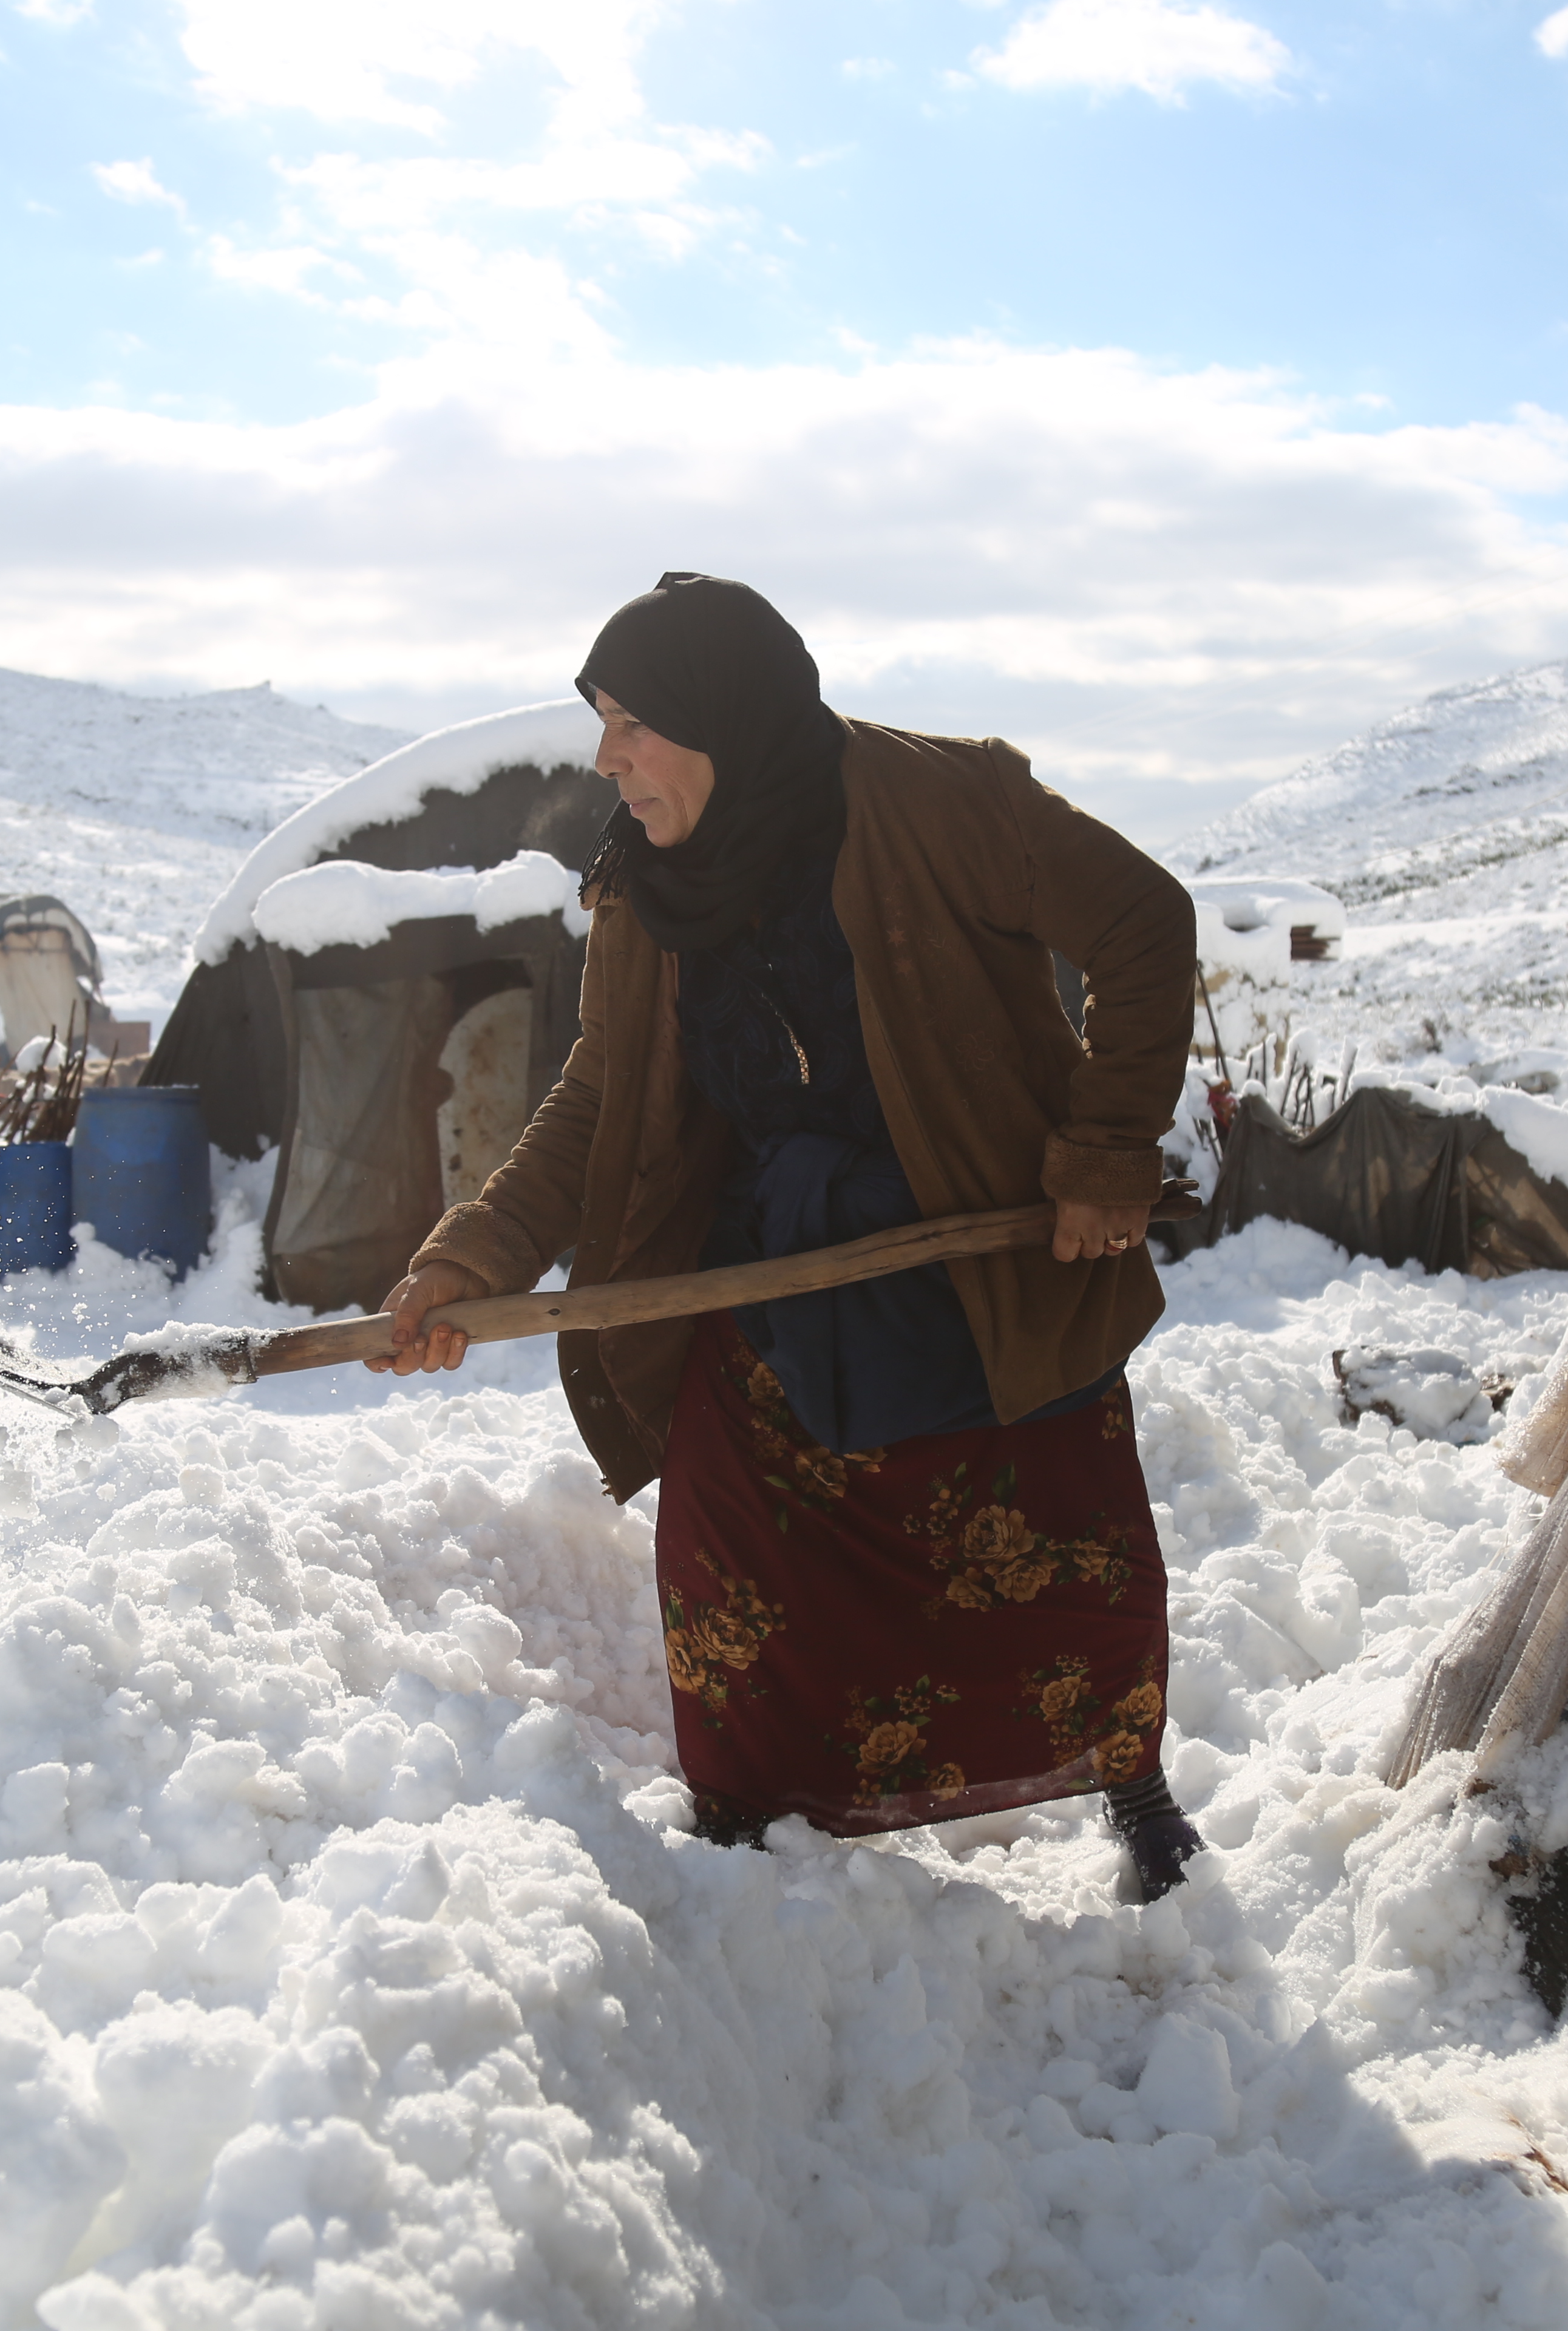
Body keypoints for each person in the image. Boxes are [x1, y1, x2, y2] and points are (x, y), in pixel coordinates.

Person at [371, 572, 1210, 1901]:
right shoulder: (644, 890)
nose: (609, 758)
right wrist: (476, 1253)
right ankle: (748, 1818)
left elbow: (1143, 923)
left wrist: (1108, 1148)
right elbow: (602, 1090)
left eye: (633, 723)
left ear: (723, 716)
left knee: (1053, 1549)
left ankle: (1129, 1782)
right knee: (736, 1554)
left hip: (978, 1251)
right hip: (764, 1259)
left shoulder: (947, 804)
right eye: (601, 722)